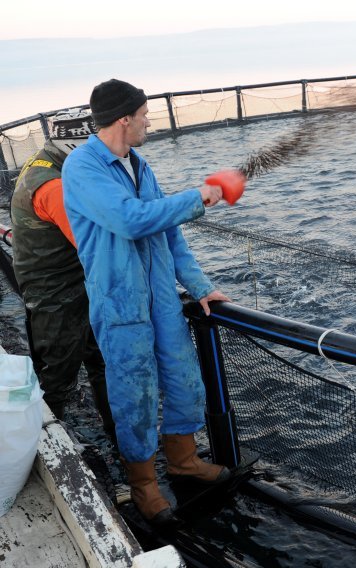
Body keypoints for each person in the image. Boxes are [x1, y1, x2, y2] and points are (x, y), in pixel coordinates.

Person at [62, 79, 233, 526]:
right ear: (124, 118)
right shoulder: (81, 168)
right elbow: (129, 220)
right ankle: (142, 485)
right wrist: (197, 196)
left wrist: (200, 286)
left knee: (182, 378)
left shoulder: (141, 164)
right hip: (120, 304)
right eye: (144, 115)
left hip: (162, 301)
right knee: (133, 392)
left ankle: (183, 460)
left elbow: (169, 235)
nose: (149, 122)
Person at [10, 110, 115, 440]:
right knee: (58, 374)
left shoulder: (43, 161)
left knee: (100, 359)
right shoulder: (54, 186)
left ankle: (119, 431)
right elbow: (93, 243)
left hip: (62, 281)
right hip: (56, 291)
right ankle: (38, 443)